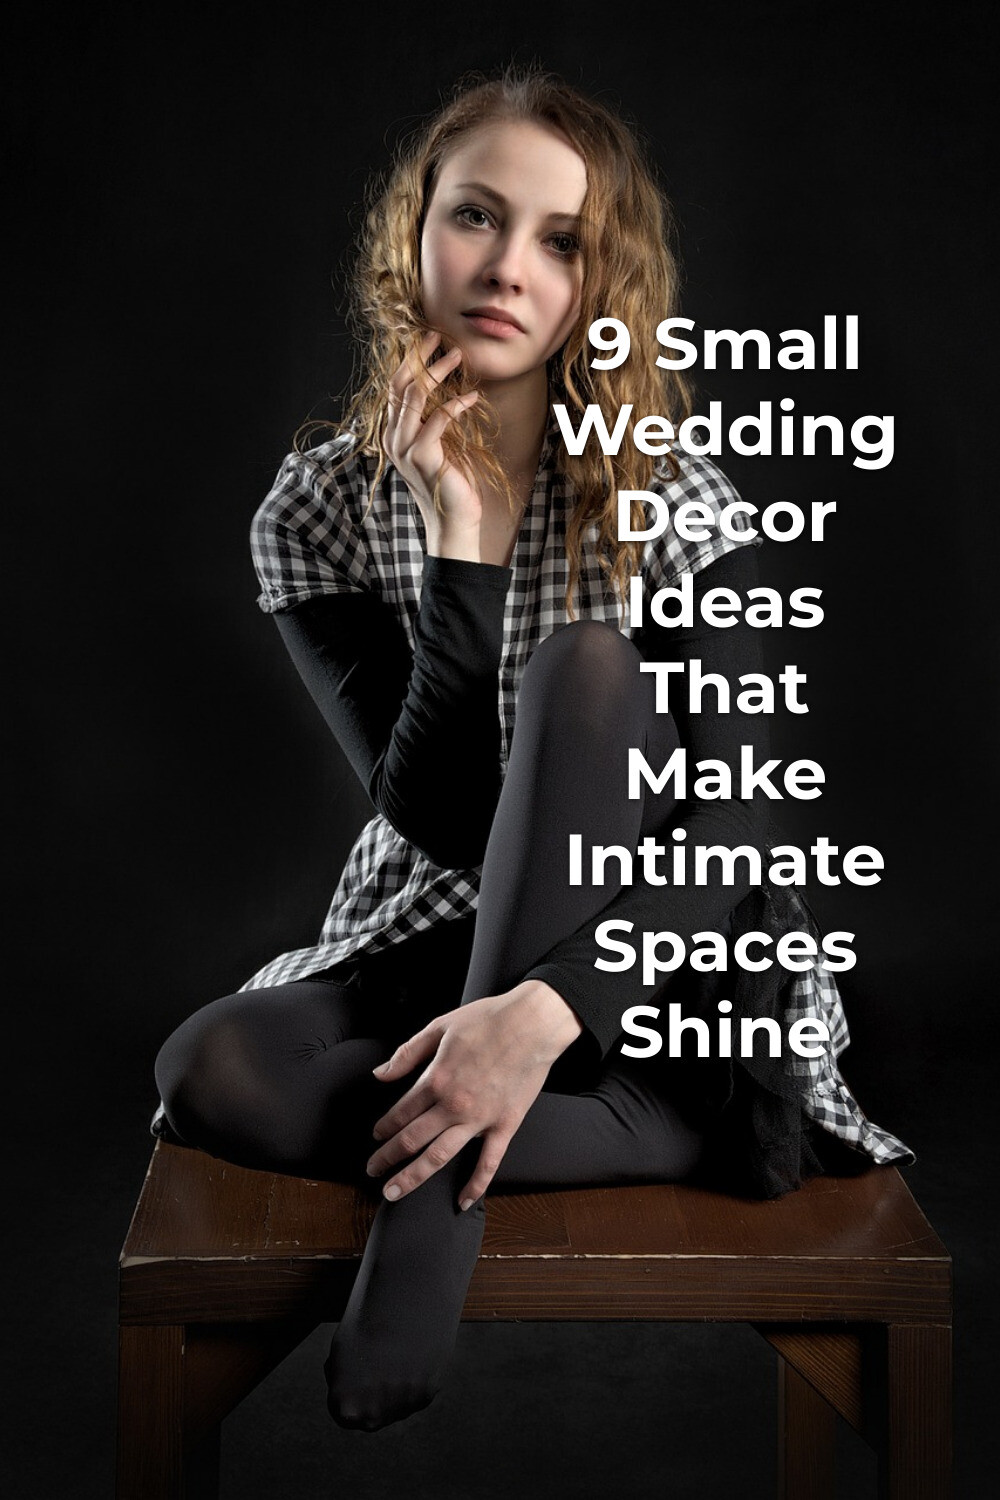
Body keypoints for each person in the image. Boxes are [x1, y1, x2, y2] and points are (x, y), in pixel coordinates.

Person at [151, 67, 912, 1432]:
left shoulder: (667, 482)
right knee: (215, 1069)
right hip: (446, 919)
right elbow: (437, 819)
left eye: (560, 241)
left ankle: (435, 1223)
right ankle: (648, 1128)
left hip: (666, 944)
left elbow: (736, 826)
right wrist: (464, 545)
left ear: (593, 284)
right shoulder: (320, 510)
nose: (508, 267)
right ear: (413, 238)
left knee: (588, 673)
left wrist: (547, 1013)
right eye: (476, 217)